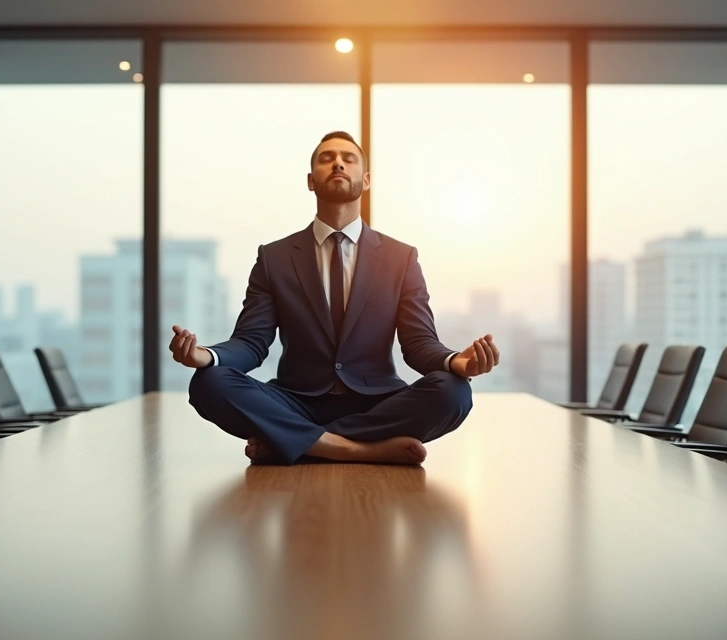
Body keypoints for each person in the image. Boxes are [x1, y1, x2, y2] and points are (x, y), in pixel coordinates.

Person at [172, 131, 500, 466]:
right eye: (326, 158)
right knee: (209, 382)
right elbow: (251, 342)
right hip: (296, 400)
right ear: (311, 181)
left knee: (454, 392)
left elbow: (418, 343)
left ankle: (296, 441)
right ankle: (355, 450)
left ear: (366, 180)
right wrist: (207, 355)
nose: (338, 163)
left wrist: (457, 362)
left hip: (377, 402)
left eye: (349, 158)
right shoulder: (274, 258)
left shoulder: (401, 258)